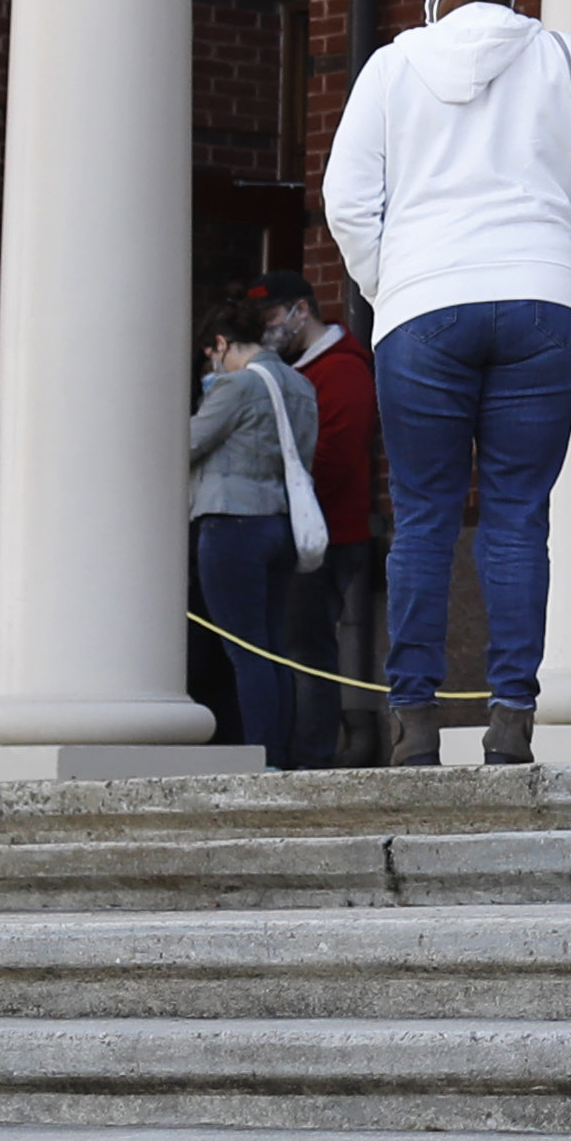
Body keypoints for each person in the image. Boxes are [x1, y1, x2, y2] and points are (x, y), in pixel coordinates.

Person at [322, 0, 571, 772]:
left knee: (423, 516)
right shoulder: (562, 56)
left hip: (422, 309)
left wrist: (394, 284)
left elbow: (347, 198)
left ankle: (414, 723)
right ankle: (510, 719)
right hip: (540, 305)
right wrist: (561, 263)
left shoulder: (391, 66)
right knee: (516, 519)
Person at [187, 284, 321, 764]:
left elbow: (184, 444)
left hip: (231, 523)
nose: (212, 366)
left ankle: (260, 756)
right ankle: (278, 752)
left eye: (211, 355)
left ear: (221, 344)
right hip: (279, 524)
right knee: (271, 648)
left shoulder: (237, 385)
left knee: (245, 651)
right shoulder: (301, 385)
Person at [258, 275, 384, 770]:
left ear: (301, 311)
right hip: (311, 530)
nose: (270, 329)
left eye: (273, 316)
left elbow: (333, 457)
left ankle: (309, 758)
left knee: (307, 652)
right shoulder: (312, 370)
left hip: (328, 536)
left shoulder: (344, 372)